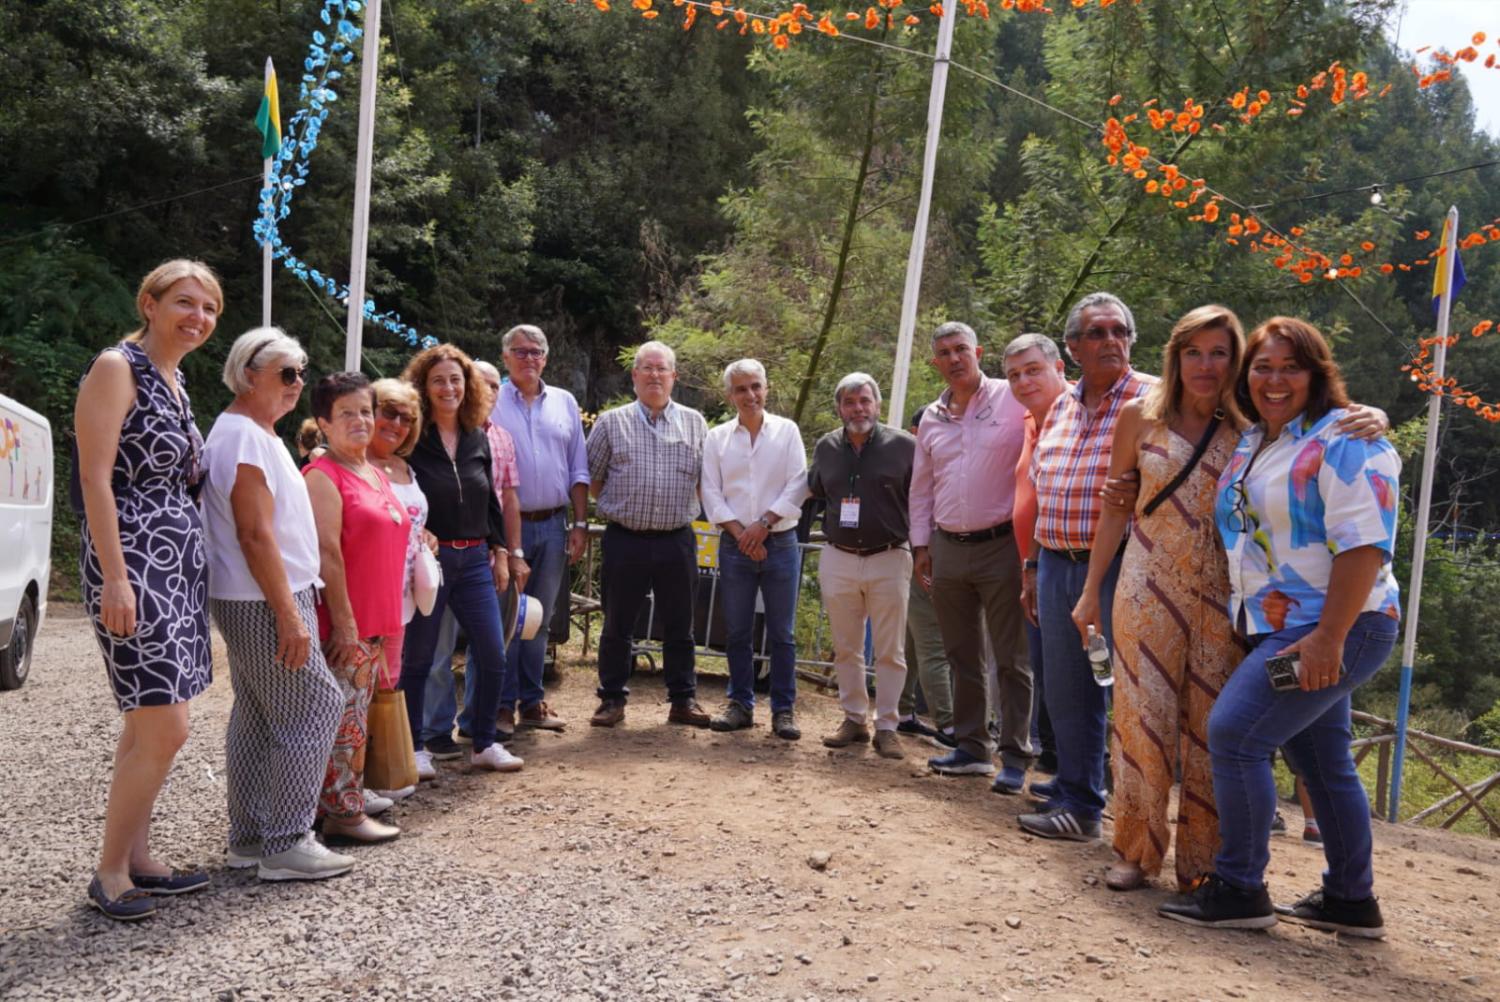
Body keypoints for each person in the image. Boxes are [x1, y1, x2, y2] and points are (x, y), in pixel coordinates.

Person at [1159, 317, 1401, 937]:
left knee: (1234, 734)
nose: (1273, 379)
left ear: (1316, 374)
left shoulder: (1345, 438)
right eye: (1262, 367)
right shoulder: (1256, 442)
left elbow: (1364, 546)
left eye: (1290, 367)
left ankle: (1240, 887)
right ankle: (1352, 901)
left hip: (1336, 625)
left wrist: (1328, 640)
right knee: (1322, 765)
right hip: (1282, 625)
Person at [1070, 305, 1248, 891]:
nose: (1204, 364)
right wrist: (1091, 589)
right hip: (1144, 586)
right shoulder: (1139, 418)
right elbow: (1115, 505)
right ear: (1175, 358)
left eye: (1218, 352)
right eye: (1193, 352)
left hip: (1222, 596)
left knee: (1210, 727)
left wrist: (1368, 415)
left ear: (1234, 359)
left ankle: (1202, 863)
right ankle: (1136, 849)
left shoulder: (1250, 428)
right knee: (1141, 721)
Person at [74, 260, 222, 919]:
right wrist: (115, 576)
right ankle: (108, 874)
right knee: (167, 724)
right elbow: (96, 479)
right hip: (132, 562)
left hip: (176, 565)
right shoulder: (117, 367)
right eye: (185, 302)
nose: (198, 317)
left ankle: (136, 856)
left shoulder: (175, 377)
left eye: (210, 308)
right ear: (150, 302)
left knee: (146, 722)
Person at [201, 327, 354, 882]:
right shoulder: (243, 436)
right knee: (316, 704)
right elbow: (254, 535)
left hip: (262, 594)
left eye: (300, 373)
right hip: (267, 596)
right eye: (285, 374)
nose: (296, 385)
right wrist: (289, 614)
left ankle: (250, 835)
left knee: (260, 714)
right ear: (248, 375)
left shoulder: (251, 433)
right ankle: (287, 840)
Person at [1018, 292, 1157, 842]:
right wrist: (1031, 566)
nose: (1110, 342)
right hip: (1054, 563)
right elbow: (1043, 490)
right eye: (1096, 333)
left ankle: (1134, 814)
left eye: (1119, 331)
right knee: (1068, 688)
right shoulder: (1061, 405)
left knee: (1127, 690)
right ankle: (1077, 798)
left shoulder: (1154, 398)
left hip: (1121, 566)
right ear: (1072, 348)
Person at [911, 321, 1033, 791]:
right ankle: (972, 747)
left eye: (962, 348)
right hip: (947, 548)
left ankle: (1017, 756)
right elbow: (921, 488)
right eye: (944, 352)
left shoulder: (1013, 396)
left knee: (1011, 657)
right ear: (935, 363)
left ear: (979, 351)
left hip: (1004, 544)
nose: (955, 358)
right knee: (961, 653)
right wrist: (920, 545)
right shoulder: (931, 418)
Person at [398, 344, 523, 775]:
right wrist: (418, 533)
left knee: (493, 653)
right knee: (419, 657)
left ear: (467, 386)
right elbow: (398, 494)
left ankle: (484, 742)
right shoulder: (412, 438)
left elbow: (490, 500)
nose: (448, 387)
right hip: (428, 564)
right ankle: (414, 747)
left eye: (455, 379)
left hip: (474, 562)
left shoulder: (477, 436)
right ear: (423, 388)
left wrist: (502, 552)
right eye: (438, 380)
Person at [304, 373, 410, 843]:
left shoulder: (372, 470)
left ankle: (344, 798)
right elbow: (328, 553)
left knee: (356, 714)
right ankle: (343, 814)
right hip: (347, 620)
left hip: (378, 618)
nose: (361, 420)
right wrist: (344, 624)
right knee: (342, 718)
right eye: (346, 412)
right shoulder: (322, 476)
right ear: (323, 422)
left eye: (366, 410)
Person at [586, 341, 711, 728]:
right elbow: (592, 477)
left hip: (677, 538)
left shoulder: (696, 422)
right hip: (626, 538)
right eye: (647, 368)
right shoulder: (611, 422)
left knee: (680, 624)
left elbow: (704, 481)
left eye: (662, 369)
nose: (655, 375)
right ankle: (611, 699)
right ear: (635, 376)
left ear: (674, 377)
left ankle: (682, 699)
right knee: (618, 623)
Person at [806, 373, 915, 759]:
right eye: (850, 402)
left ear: (878, 404)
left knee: (890, 650)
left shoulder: (905, 446)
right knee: (846, 647)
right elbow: (814, 492)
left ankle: (887, 725)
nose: (858, 409)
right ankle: (854, 719)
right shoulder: (826, 447)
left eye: (865, 400)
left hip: (890, 555)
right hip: (839, 556)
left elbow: (922, 502)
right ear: (839, 408)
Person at [701, 358, 808, 739]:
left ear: (767, 388)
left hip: (780, 542)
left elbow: (799, 484)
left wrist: (762, 526)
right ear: (730, 394)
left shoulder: (787, 431)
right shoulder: (716, 438)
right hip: (734, 546)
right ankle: (740, 704)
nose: (750, 395)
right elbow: (710, 491)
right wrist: (742, 533)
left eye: (756, 386)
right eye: (742, 388)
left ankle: (783, 709)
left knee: (782, 632)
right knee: (737, 631)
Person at [491, 330, 588, 733]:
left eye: (536, 352)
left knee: (540, 619)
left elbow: (578, 466)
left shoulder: (564, 401)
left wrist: (580, 523)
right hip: (505, 528)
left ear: (546, 358)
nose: (528, 358)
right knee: (505, 618)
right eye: (520, 352)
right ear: (505, 356)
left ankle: (532, 702)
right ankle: (500, 705)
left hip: (553, 524)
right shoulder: (491, 399)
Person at [1002, 334, 1070, 788]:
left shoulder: (1083, 414)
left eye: (1032, 370)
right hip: (1036, 568)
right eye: (1014, 375)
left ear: (1060, 368)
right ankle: (1064, 773)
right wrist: (1028, 568)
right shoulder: (1030, 419)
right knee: (1052, 675)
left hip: (1078, 565)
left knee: (1080, 679)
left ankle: (1082, 780)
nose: (1023, 381)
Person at [366, 377, 434, 799]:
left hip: (404, 594)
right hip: (370, 589)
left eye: (407, 418)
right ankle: (352, 781)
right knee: (360, 684)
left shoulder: (405, 467)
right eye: (387, 413)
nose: (397, 424)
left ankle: (381, 770)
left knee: (389, 679)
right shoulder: (354, 462)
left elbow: (411, 520)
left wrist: (427, 537)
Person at [897, 408, 955, 746]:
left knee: (911, 642)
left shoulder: (926, 465)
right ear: (915, 431)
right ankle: (949, 726)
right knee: (932, 645)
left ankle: (903, 711)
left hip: (916, 558)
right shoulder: (918, 466)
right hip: (922, 560)